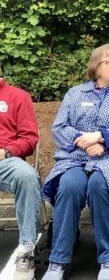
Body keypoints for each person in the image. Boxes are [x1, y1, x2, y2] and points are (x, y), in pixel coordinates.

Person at [41, 44, 109, 280]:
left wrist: (103, 137)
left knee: (99, 184)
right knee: (69, 185)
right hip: (76, 157)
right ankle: (58, 260)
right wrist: (86, 142)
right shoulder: (75, 94)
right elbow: (59, 128)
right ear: (95, 67)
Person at [0, 70, 41, 280]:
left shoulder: (18, 96)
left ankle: (26, 251)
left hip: (5, 161)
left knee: (27, 176)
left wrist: (6, 152)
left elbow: (29, 139)